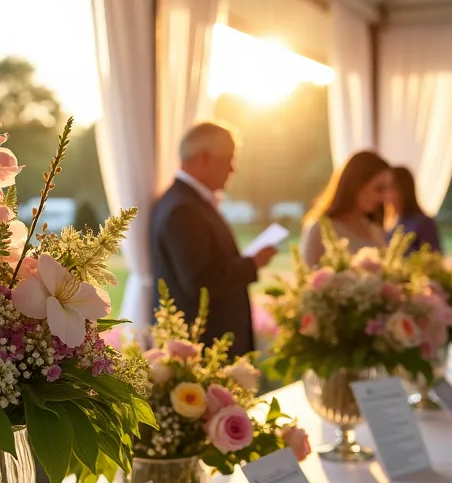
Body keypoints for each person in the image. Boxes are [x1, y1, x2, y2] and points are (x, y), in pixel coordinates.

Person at [149, 121, 276, 357]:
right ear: (204, 158)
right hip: (203, 347)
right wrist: (252, 263)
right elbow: (202, 281)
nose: (233, 169)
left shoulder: (188, 202)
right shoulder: (183, 209)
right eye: (229, 159)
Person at [300, 150, 391, 267]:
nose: (384, 197)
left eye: (387, 189)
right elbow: (306, 280)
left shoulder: (375, 230)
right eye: (378, 188)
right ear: (356, 184)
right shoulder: (319, 230)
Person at [386, 166, 443, 253]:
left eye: (391, 188)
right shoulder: (388, 225)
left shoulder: (423, 223)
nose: (386, 195)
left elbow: (434, 257)